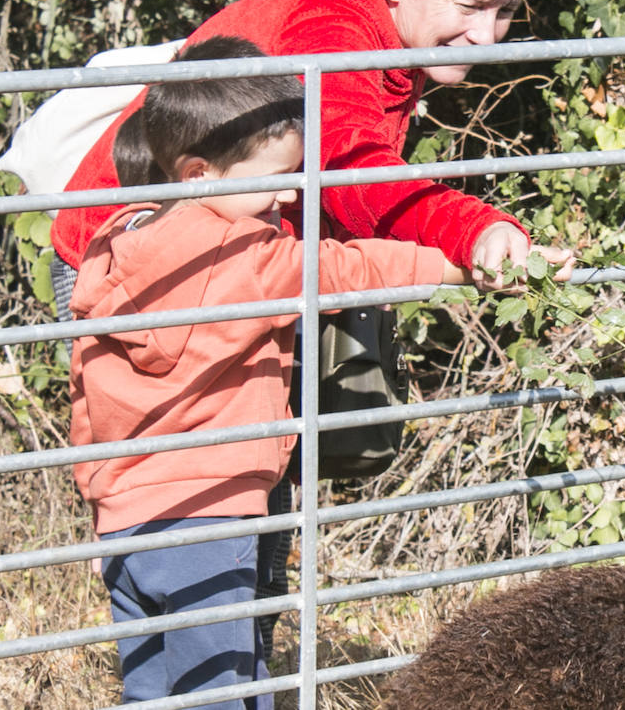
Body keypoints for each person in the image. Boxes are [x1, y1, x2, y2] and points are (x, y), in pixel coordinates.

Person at [68, 53, 485, 707]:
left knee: (151, 690)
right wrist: (462, 264)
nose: (290, 194)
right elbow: (354, 268)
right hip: (212, 515)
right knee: (226, 685)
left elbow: (87, 401)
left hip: (128, 523)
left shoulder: (112, 248)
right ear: (200, 176)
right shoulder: (250, 260)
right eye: (275, 179)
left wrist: (101, 509)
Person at [50, 0, 569, 315]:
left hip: (208, 256)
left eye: (502, 11)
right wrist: (472, 229)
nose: (485, 36)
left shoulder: (380, 20)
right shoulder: (331, 26)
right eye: (468, 6)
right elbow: (347, 164)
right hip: (124, 257)